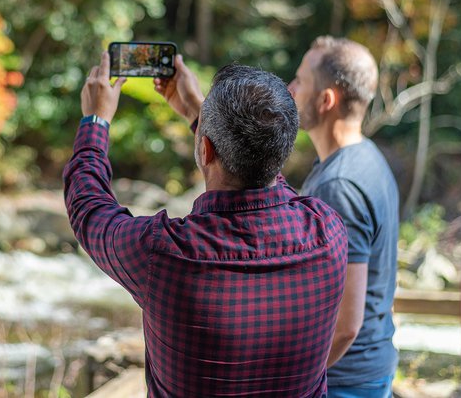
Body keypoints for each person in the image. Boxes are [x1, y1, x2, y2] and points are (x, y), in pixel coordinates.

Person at [64, 52, 348, 397]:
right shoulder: (328, 233)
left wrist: (96, 121)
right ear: (284, 148)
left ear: (205, 150)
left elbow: (89, 209)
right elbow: (264, 167)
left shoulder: (164, 253)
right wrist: (197, 112)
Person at [287, 36, 399, 397]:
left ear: (326, 100)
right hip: (365, 369)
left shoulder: (339, 185)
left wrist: (291, 381)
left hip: (344, 381)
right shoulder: (364, 156)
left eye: (300, 80)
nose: (290, 88)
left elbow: (345, 325)